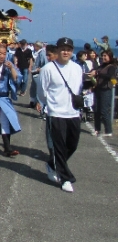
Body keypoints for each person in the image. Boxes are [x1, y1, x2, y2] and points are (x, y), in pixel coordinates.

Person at [39, 37, 83, 192]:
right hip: (56, 113)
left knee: (72, 145)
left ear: (72, 51)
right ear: (57, 50)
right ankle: (65, 178)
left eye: (68, 50)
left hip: (73, 112)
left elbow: (78, 88)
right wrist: (51, 105)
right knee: (59, 146)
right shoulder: (48, 69)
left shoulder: (77, 68)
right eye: (63, 49)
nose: (65, 52)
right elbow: (42, 92)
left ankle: (52, 165)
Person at [91, 50, 116, 137]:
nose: (103, 57)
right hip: (98, 89)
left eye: (105, 56)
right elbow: (95, 71)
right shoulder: (101, 66)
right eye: (102, 56)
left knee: (104, 110)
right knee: (96, 110)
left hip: (106, 90)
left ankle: (108, 131)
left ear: (110, 57)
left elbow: (109, 76)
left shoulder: (112, 66)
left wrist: (98, 73)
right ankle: (97, 129)